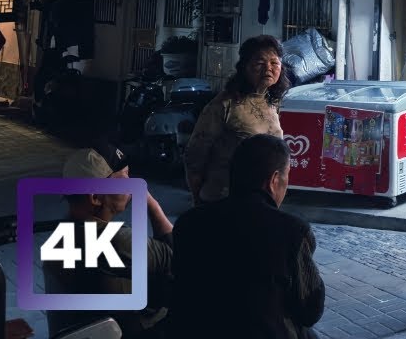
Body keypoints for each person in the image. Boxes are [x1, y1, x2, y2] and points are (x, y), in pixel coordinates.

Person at [169, 133, 325, 339]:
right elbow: (310, 310)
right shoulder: (292, 231)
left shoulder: (189, 223)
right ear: (274, 180)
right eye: (287, 176)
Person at [42, 141, 176, 339]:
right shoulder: (113, 241)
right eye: (124, 178)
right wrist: (150, 201)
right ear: (96, 196)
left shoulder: (62, 236)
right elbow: (176, 255)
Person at [184, 35, 290, 206]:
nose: (268, 68)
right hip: (223, 199)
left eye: (274, 63)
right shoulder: (224, 105)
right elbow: (195, 155)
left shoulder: (272, 102)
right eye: (260, 63)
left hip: (260, 202)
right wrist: (198, 201)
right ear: (244, 67)